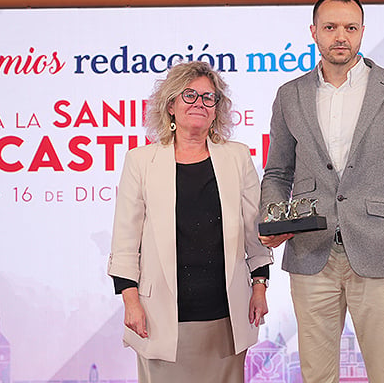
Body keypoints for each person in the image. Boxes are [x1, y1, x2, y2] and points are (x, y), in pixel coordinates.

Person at [259, 0, 384, 383]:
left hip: (380, 251)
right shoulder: (289, 95)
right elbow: (277, 173)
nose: (340, 36)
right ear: (314, 32)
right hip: (311, 255)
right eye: (330, 27)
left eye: (349, 27)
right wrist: (274, 220)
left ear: (362, 32)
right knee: (316, 375)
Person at [108, 61, 273, 383]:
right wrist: (130, 301)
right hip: (160, 317)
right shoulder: (140, 161)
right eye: (189, 96)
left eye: (208, 98)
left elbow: (255, 233)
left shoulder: (237, 157)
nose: (199, 103)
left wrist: (260, 287)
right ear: (170, 105)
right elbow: (125, 240)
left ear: (216, 110)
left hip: (226, 315)